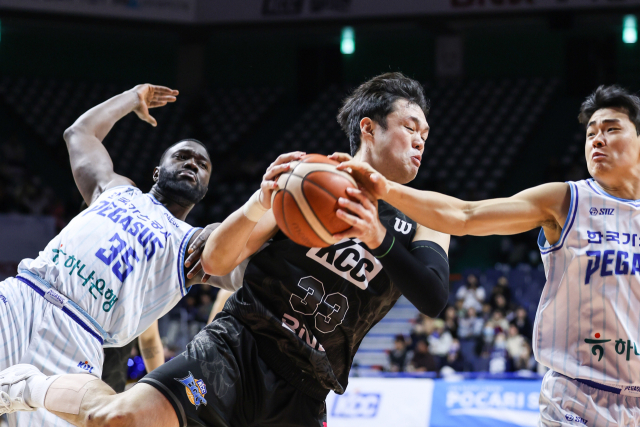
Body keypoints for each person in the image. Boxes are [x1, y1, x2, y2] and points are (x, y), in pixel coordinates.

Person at [1, 72, 451, 427]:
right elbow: (218, 259)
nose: (420, 141)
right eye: (411, 127)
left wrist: (377, 233)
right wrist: (262, 198)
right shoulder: (302, 181)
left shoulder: (429, 216)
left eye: (427, 135)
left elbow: (432, 297)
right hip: (237, 347)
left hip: (308, 385)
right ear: (368, 128)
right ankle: (27, 386)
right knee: (120, 418)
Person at [337, 84, 640, 425]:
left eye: (611, 129)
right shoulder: (567, 200)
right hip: (577, 399)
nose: (596, 139)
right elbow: (465, 215)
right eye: (590, 133)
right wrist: (385, 187)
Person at [0, 84, 245, 426]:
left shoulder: (194, 244)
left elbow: (246, 269)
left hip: (79, 336)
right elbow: (79, 133)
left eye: (202, 164)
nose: (192, 162)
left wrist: (266, 208)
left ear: (203, 189)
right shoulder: (115, 188)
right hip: (25, 294)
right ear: (157, 173)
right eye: (182, 156)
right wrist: (131, 98)